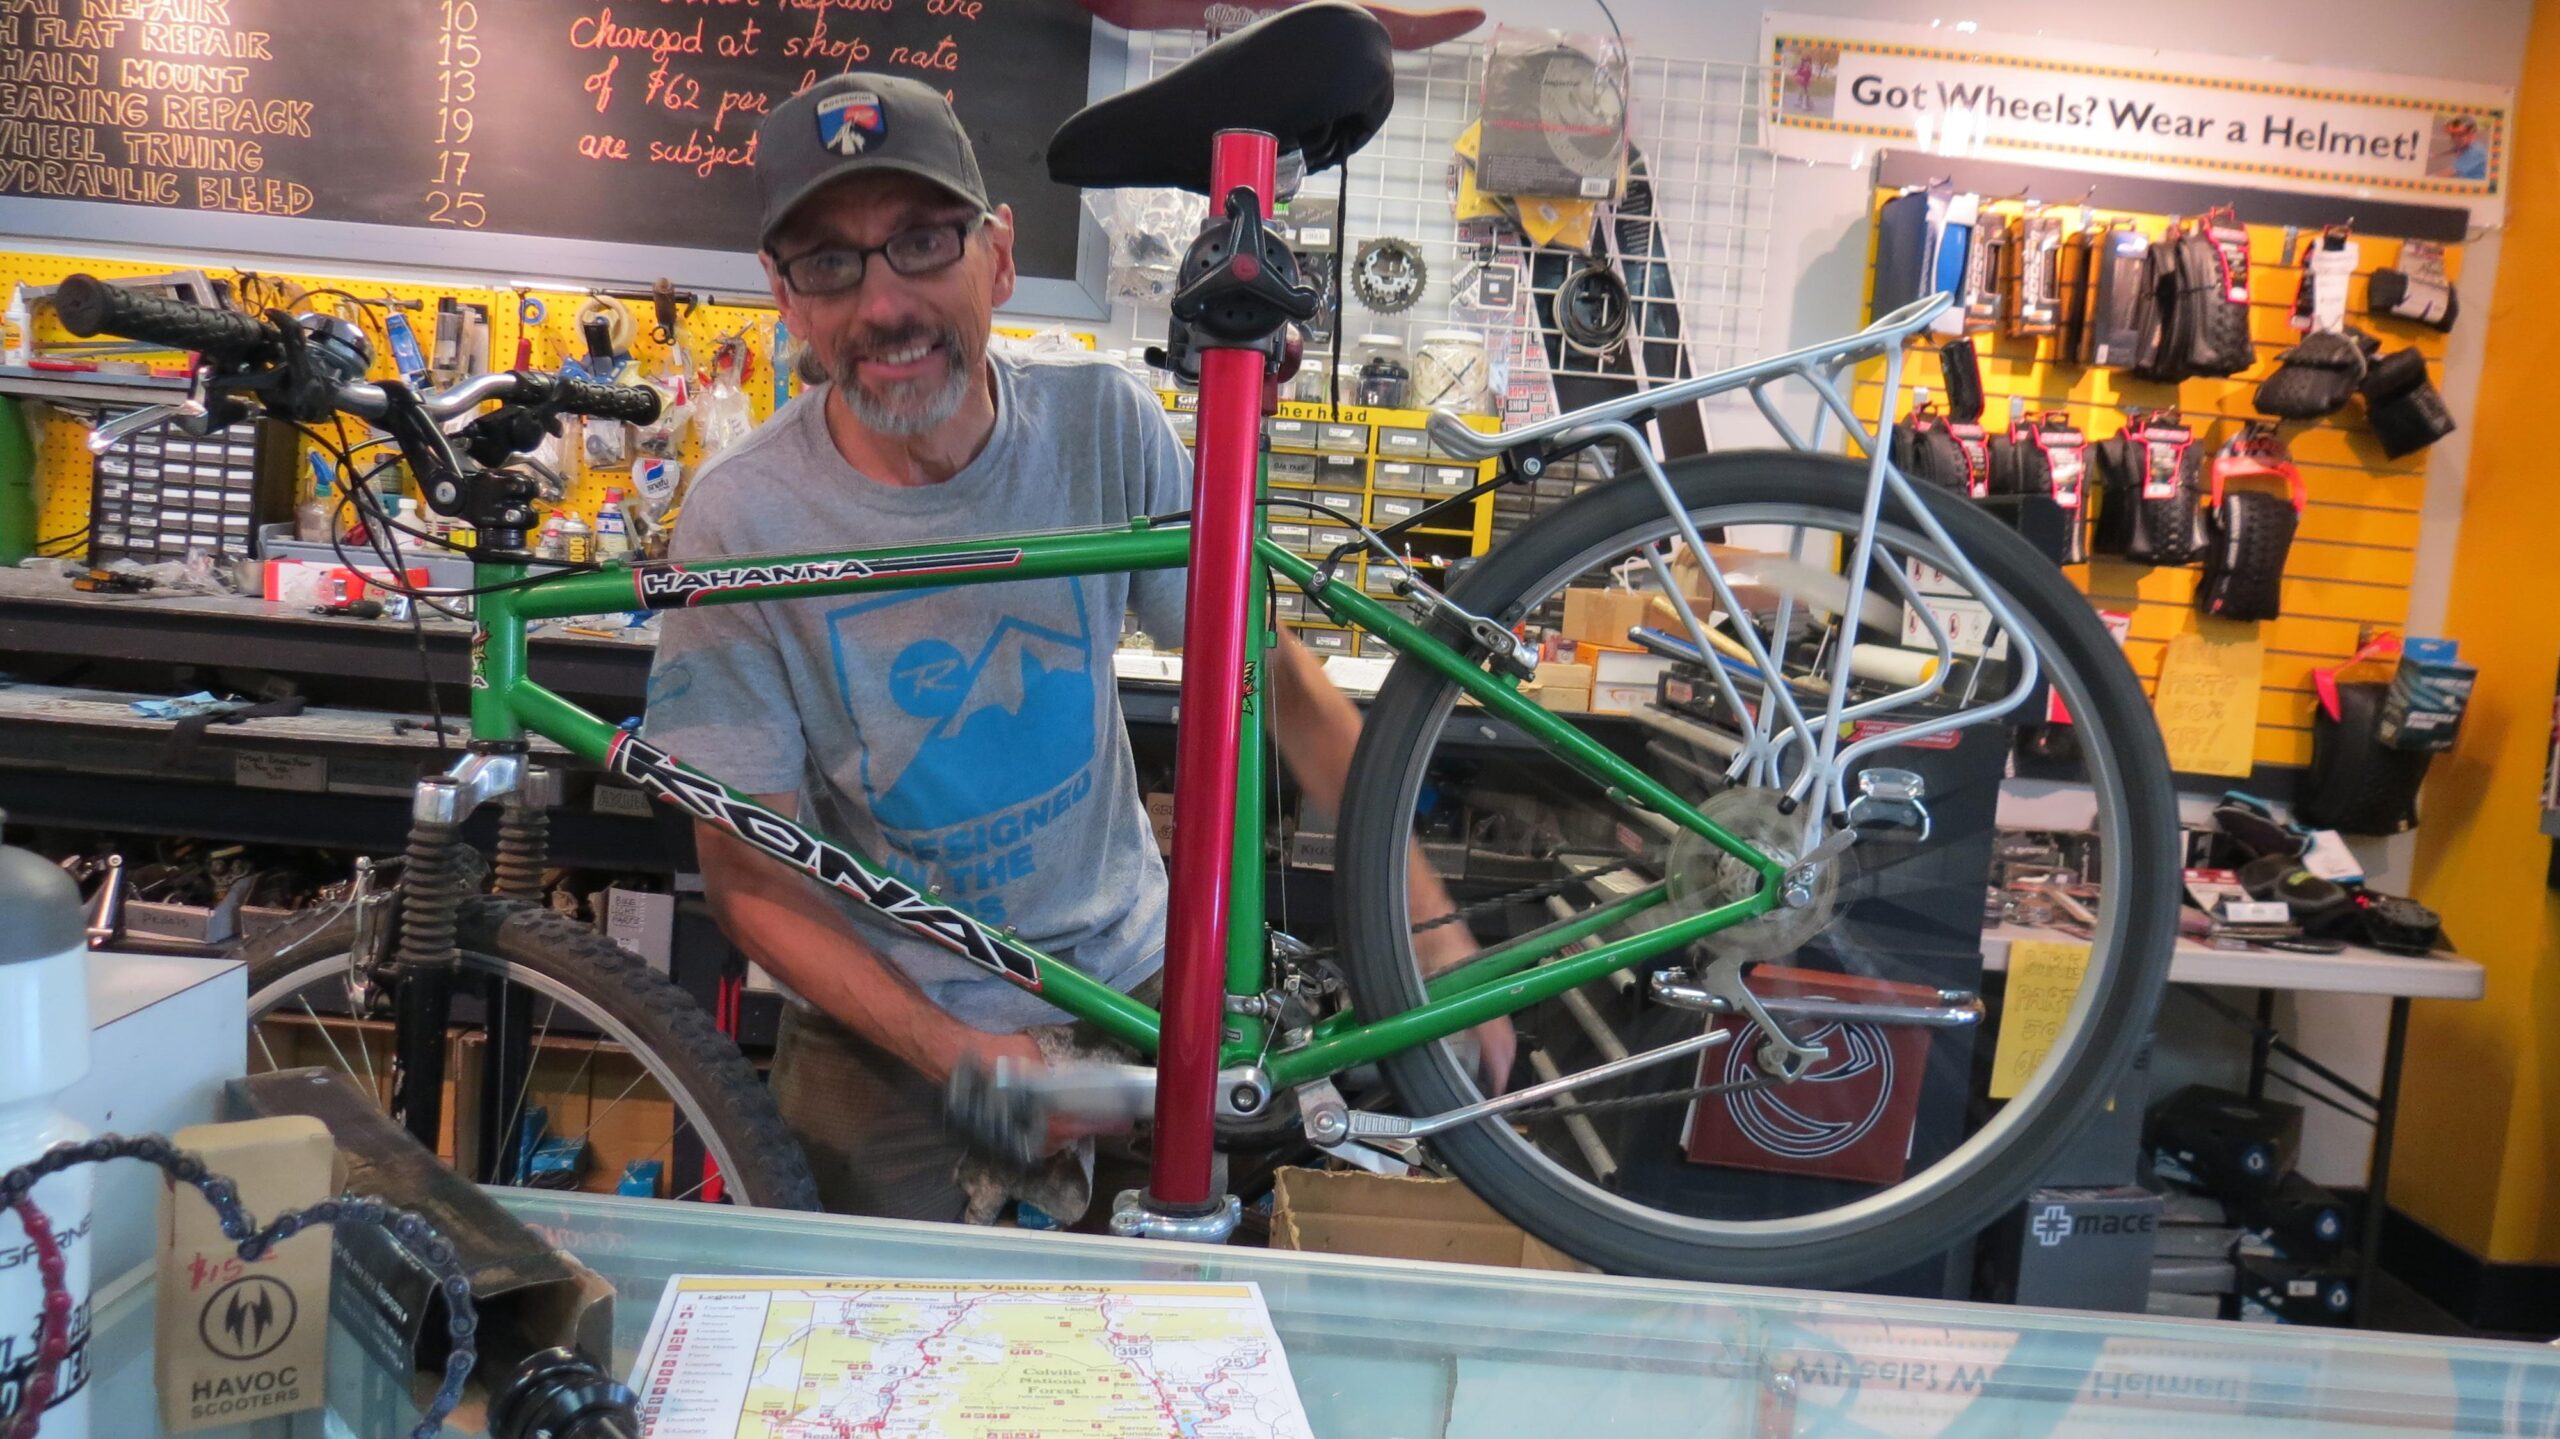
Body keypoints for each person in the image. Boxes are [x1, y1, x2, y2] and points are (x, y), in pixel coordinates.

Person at [641, 74, 1510, 1222]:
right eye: (830, 263)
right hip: (889, 1014)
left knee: (1176, 1288)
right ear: (785, 298)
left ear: (998, 257)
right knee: (853, 1305)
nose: (884, 303)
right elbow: (746, 874)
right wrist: (956, 1052)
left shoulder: (1103, 427)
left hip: (1131, 975)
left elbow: (1278, 685)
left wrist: (1431, 939)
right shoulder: (739, 518)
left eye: (923, 242)